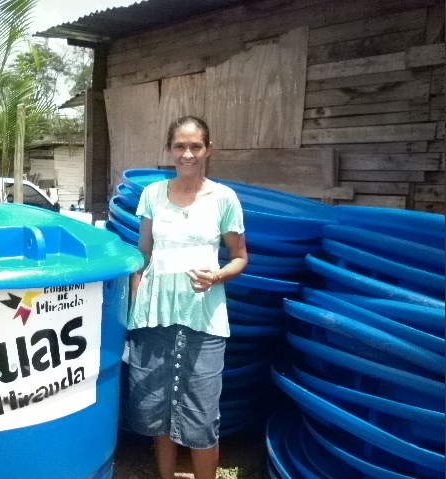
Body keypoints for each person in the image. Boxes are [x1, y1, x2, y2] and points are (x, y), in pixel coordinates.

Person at [127, 116, 248, 479]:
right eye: (180, 146)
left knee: (201, 415)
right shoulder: (152, 195)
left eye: (195, 146)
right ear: (170, 150)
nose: (188, 154)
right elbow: (142, 256)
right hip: (155, 316)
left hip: (203, 316)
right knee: (159, 410)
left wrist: (218, 276)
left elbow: (240, 256)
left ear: (208, 149)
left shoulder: (224, 198)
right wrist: (136, 305)